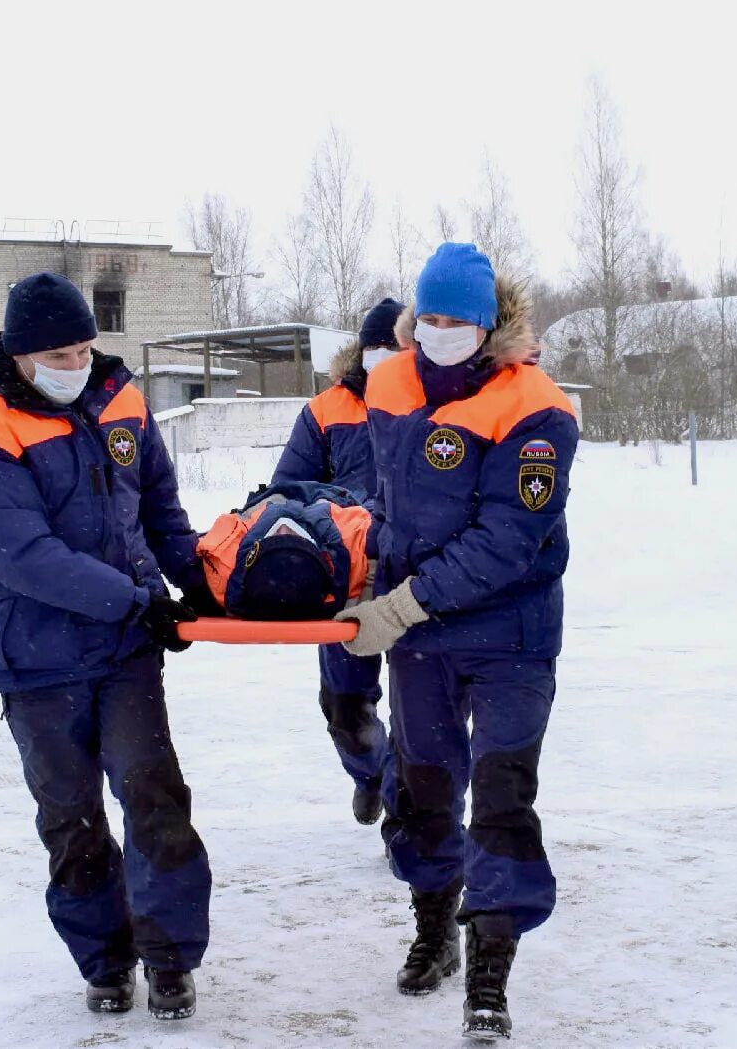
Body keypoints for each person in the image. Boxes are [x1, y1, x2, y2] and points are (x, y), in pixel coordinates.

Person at [0, 272, 212, 1020]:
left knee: (154, 798)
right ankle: (105, 959)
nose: (77, 363)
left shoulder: (121, 400)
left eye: (86, 347)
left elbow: (158, 507)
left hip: (126, 654)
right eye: (59, 353)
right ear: (21, 356)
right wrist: (137, 602)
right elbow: (25, 556)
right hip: (38, 660)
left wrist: (202, 582)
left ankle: (169, 958)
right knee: (72, 820)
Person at [335, 243, 579, 1041]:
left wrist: (403, 604)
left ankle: (490, 970)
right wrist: (361, 577)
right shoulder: (390, 383)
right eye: (428, 318)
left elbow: (510, 538)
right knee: (425, 786)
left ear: (489, 325)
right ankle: (436, 925)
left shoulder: (537, 406)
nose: (440, 332)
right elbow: (389, 505)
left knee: (504, 796)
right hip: (422, 637)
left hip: (511, 633)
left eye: (457, 321)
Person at [269, 300, 403, 825]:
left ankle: (407, 815)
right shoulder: (327, 410)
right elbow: (288, 490)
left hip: (418, 578)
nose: (385, 357)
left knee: (424, 716)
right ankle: (373, 774)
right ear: (360, 353)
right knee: (346, 709)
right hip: (347, 580)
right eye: (376, 348)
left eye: (396, 348)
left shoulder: (435, 406)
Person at [195, 480, 373, 620]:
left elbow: (196, 550)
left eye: (280, 532)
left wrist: (195, 589)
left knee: (275, 498)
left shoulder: (224, 566)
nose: (284, 529)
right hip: (336, 500)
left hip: (274, 499)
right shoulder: (354, 549)